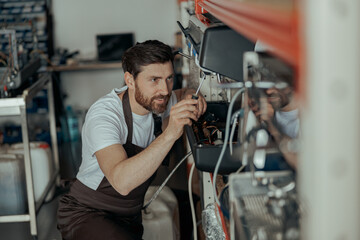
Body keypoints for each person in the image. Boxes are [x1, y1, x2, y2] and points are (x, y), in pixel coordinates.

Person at [57, 40, 207, 240]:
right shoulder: (105, 115)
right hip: (88, 213)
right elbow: (122, 182)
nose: (164, 89)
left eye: (169, 78)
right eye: (154, 80)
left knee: (191, 204)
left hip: (129, 214)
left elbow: (182, 94)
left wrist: (192, 97)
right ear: (129, 80)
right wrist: (170, 133)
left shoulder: (159, 100)